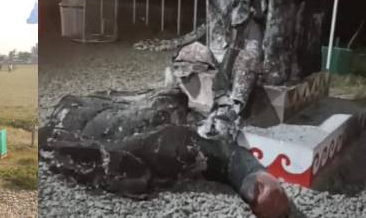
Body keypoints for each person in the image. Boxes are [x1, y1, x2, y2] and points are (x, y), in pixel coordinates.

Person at [40, 88, 289, 218]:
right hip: (91, 117)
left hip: (111, 112)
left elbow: (220, 152)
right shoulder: (166, 141)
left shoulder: (172, 123)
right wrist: (253, 176)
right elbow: (218, 152)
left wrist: (255, 176)